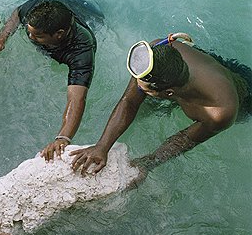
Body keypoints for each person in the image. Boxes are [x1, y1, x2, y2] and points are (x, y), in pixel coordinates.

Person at [69, 33, 252, 175]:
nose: (137, 89)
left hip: (244, 94)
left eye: (144, 90)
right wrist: (102, 146)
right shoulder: (157, 52)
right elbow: (129, 101)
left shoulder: (220, 111)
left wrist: (148, 164)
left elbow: (185, 139)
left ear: (168, 93)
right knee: (140, 107)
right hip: (188, 77)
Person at [0, 0, 98, 161]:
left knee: (100, 12)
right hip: (57, 1)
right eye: (28, 31)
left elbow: (76, 98)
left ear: (59, 35)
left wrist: (63, 138)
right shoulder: (34, 9)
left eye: (37, 36)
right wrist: (2, 37)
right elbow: (18, 13)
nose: (30, 37)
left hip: (83, 11)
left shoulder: (82, 50)